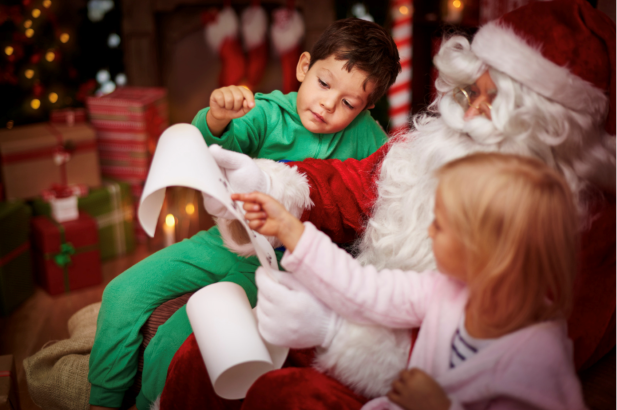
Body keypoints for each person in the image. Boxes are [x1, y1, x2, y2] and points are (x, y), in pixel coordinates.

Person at [158, 0, 615, 408]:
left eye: (491, 98)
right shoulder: (438, 162)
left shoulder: (568, 232)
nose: (468, 111)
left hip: (396, 372)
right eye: (470, 89)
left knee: (285, 397)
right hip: (355, 316)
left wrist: (335, 334)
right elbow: (360, 211)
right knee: (205, 354)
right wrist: (270, 185)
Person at [88, 17, 401, 410]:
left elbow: (382, 187)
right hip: (223, 242)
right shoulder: (268, 113)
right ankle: (102, 401)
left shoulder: (367, 138)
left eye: (348, 102)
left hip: (277, 270)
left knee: (181, 338)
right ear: (304, 67)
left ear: (366, 107)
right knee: (122, 292)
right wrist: (218, 116)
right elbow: (208, 144)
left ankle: (151, 402)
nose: (327, 104)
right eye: (324, 84)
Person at [234, 151, 586, 409]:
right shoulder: (446, 292)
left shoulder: (538, 358)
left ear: (485, 251)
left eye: (441, 224)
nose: (429, 230)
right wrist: (291, 230)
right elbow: (364, 290)